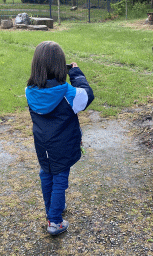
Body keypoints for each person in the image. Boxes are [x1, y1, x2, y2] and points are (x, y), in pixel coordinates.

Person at [25, 41, 94, 235]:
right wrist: (76, 73)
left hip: (42, 145)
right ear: (59, 66)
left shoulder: (29, 92)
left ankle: (52, 210)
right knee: (60, 179)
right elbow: (88, 95)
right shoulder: (69, 94)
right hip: (63, 146)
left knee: (46, 175)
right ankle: (54, 222)